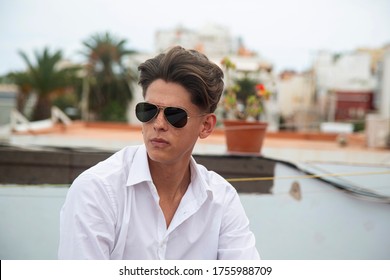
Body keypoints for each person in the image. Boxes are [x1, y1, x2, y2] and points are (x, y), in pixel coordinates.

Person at [58, 46, 260, 260]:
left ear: (206, 126)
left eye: (175, 115)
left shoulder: (221, 200)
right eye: (149, 111)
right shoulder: (96, 191)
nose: (159, 124)